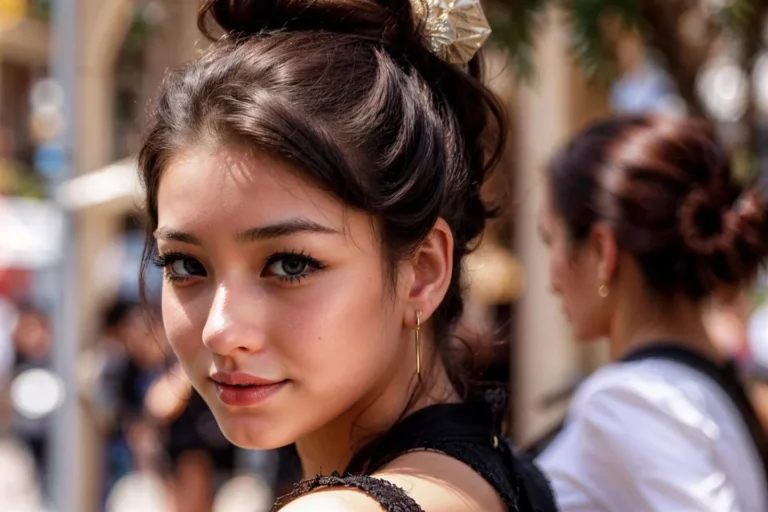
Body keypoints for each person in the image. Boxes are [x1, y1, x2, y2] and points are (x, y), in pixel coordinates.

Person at [135, 0, 557, 510]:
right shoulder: (509, 476)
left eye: (291, 264)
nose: (220, 331)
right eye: (185, 265)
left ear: (422, 271)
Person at [536, 115, 768, 511]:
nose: (551, 278)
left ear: (602, 251)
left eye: (551, 240)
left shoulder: (631, 398)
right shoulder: (712, 388)